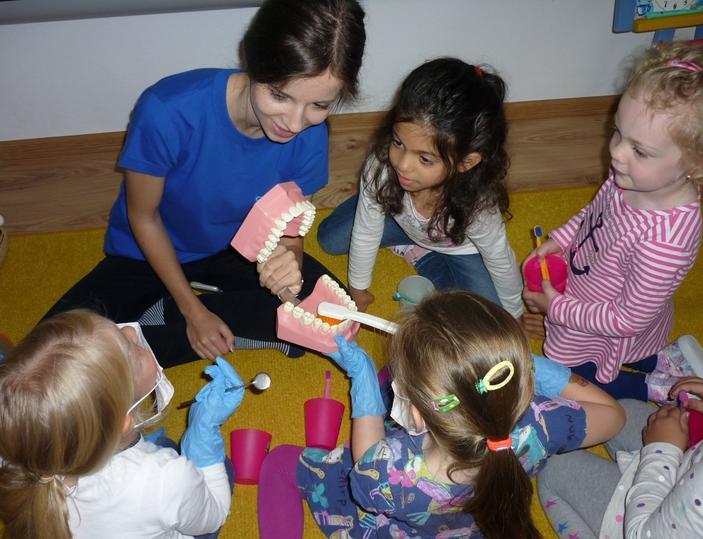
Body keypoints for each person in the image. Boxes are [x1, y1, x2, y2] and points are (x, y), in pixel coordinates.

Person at [40, 0, 367, 366]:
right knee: (55, 358)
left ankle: (157, 326)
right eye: (279, 95)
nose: (294, 123)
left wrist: (288, 259)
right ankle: (177, 319)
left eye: (319, 105)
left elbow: (290, 227)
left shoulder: (312, 135)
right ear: (252, 59)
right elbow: (143, 217)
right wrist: (193, 312)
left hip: (239, 249)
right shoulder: (168, 110)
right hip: (149, 253)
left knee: (331, 316)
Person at [257, 291, 625, 538]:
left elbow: (364, 461)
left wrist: (363, 380)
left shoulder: (388, 471)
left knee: (282, 463)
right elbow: (614, 415)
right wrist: (530, 365)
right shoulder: (545, 422)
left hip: (393, 520)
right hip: (475, 520)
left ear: (415, 416)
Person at [523, 43, 703, 400]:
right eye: (618, 132)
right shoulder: (630, 177)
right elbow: (593, 215)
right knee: (635, 349)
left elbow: (626, 320)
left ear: (699, 165)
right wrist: (561, 239)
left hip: (604, 324)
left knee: (581, 376)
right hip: (590, 292)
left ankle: (656, 387)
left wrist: (558, 309)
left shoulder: (665, 243)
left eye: (640, 150)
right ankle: (660, 359)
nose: (615, 151)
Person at [316, 58, 542, 336]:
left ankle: (421, 254)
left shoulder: (477, 205)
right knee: (328, 239)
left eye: (425, 159)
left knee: (488, 321)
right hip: (397, 218)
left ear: (466, 163)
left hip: (457, 247)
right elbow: (365, 230)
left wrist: (514, 313)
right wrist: (357, 288)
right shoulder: (382, 166)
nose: (402, 165)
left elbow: (499, 259)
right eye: (398, 142)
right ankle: (383, 214)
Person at [0, 310, 244, 538]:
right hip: (164, 496)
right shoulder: (166, 479)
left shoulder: (15, 442)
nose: (129, 332)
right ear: (123, 425)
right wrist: (203, 435)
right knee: (223, 467)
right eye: (131, 351)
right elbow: (213, 516)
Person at [538, 376, 703, 538]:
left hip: (646, 527)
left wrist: (662, 450)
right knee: (619, 415)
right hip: (691, 468)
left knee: (554, 468)